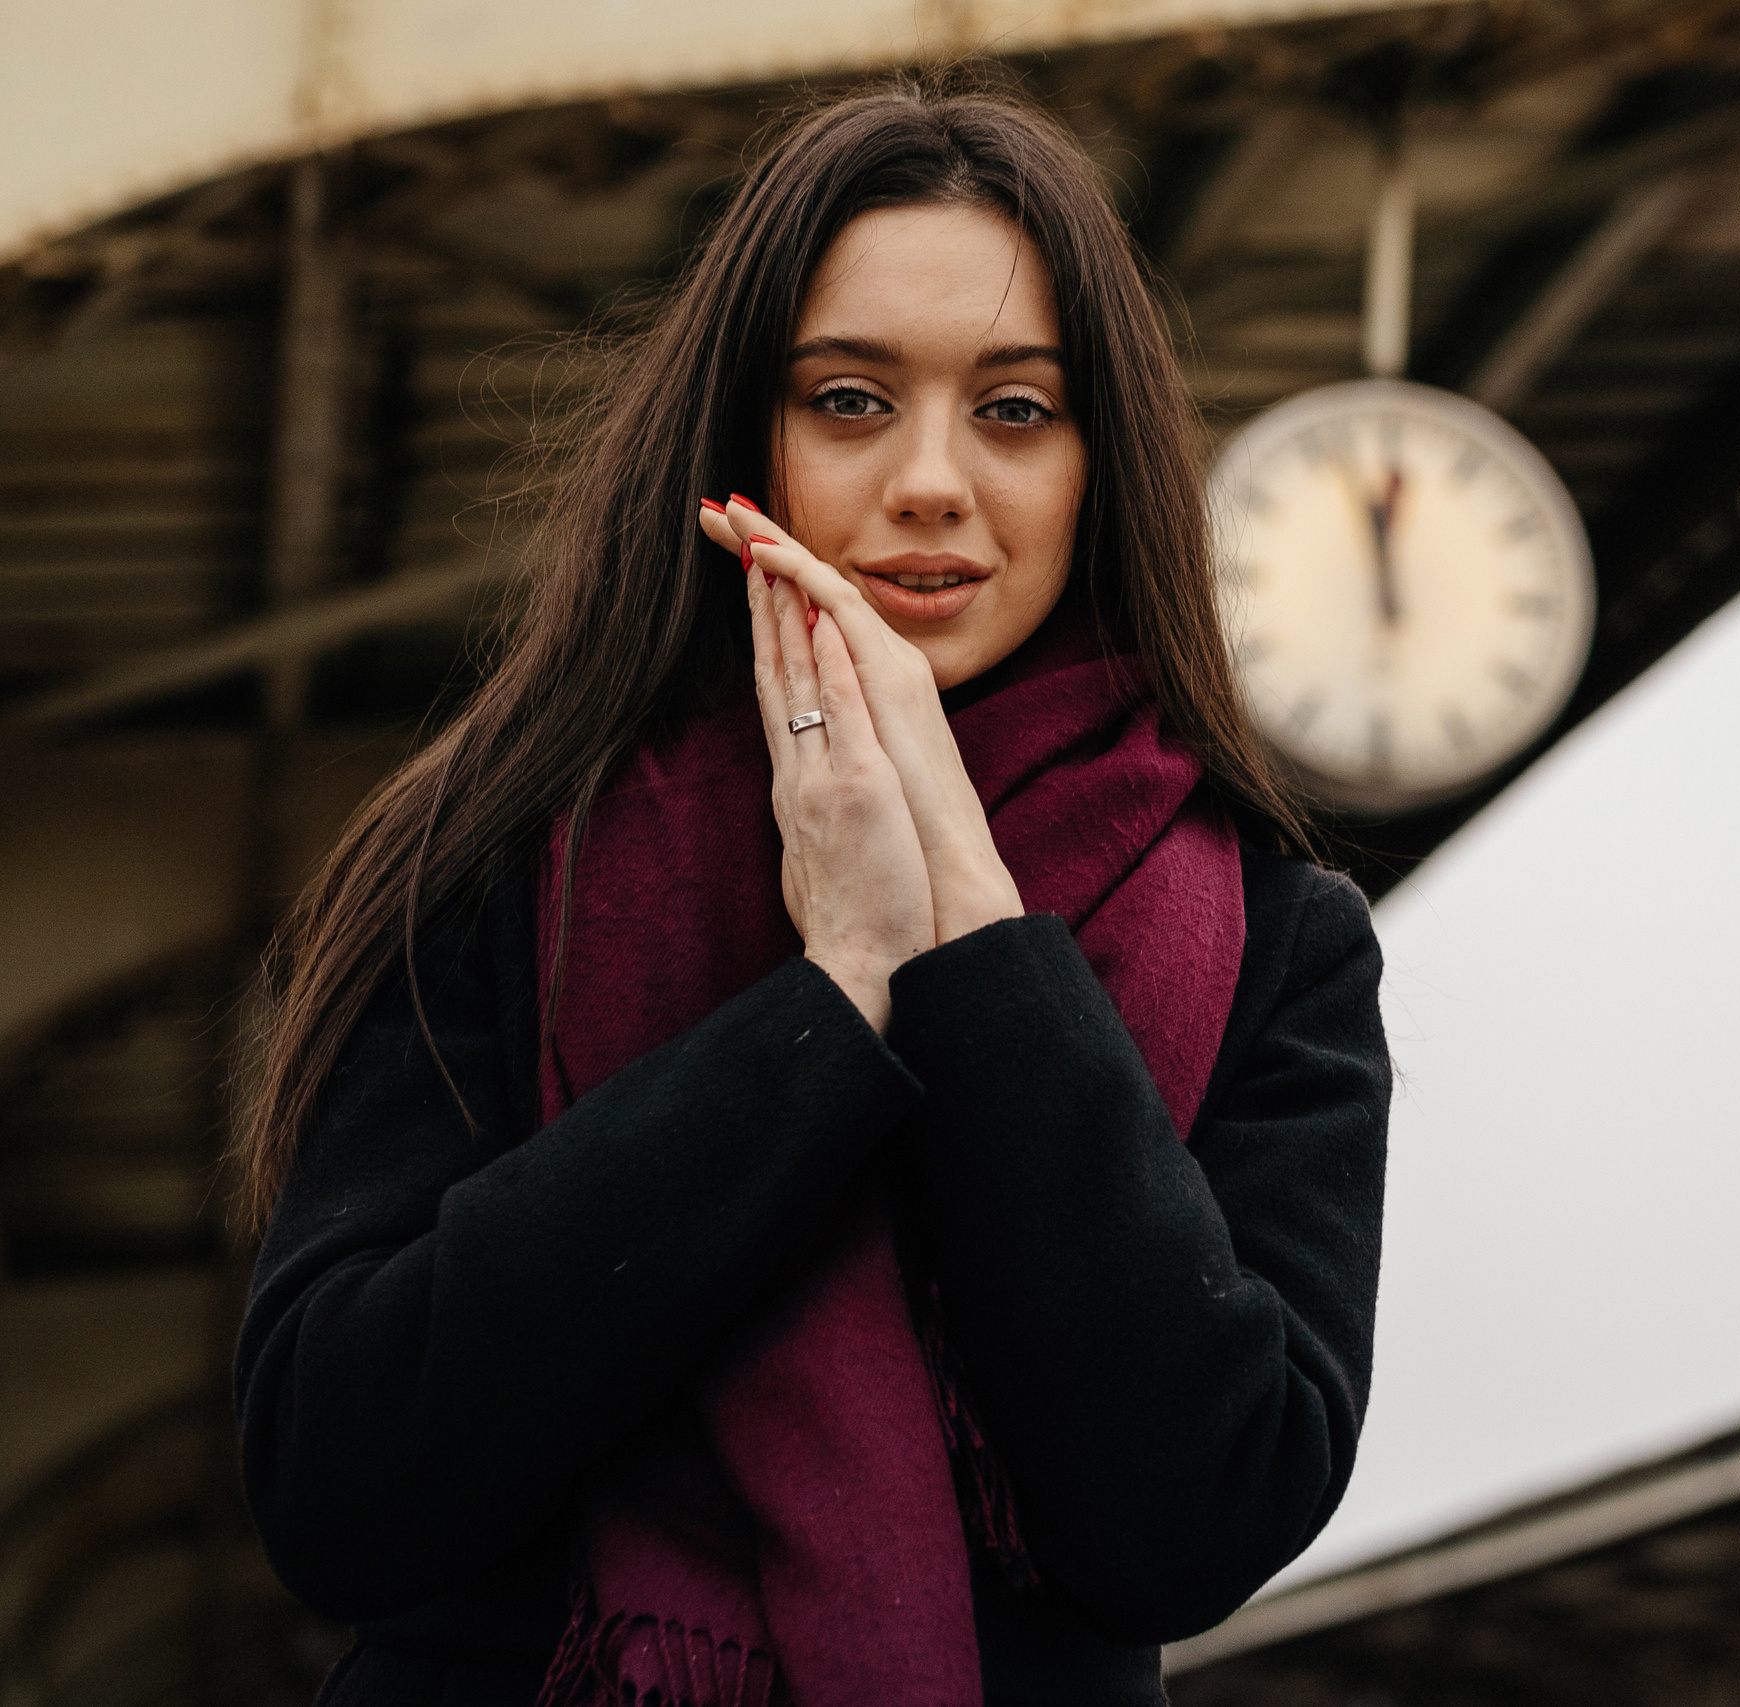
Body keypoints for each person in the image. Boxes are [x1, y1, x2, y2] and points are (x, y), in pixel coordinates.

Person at [227, 78, 1391, 1707]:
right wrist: (832, 998)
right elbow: (339, 1489)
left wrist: (976, 944)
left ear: (1101, 466)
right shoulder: (500, 857)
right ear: (741, 446)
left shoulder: (1279, 943)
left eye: (1016, 410)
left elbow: (1191, 1527)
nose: (930, 482)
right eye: (849, 399)